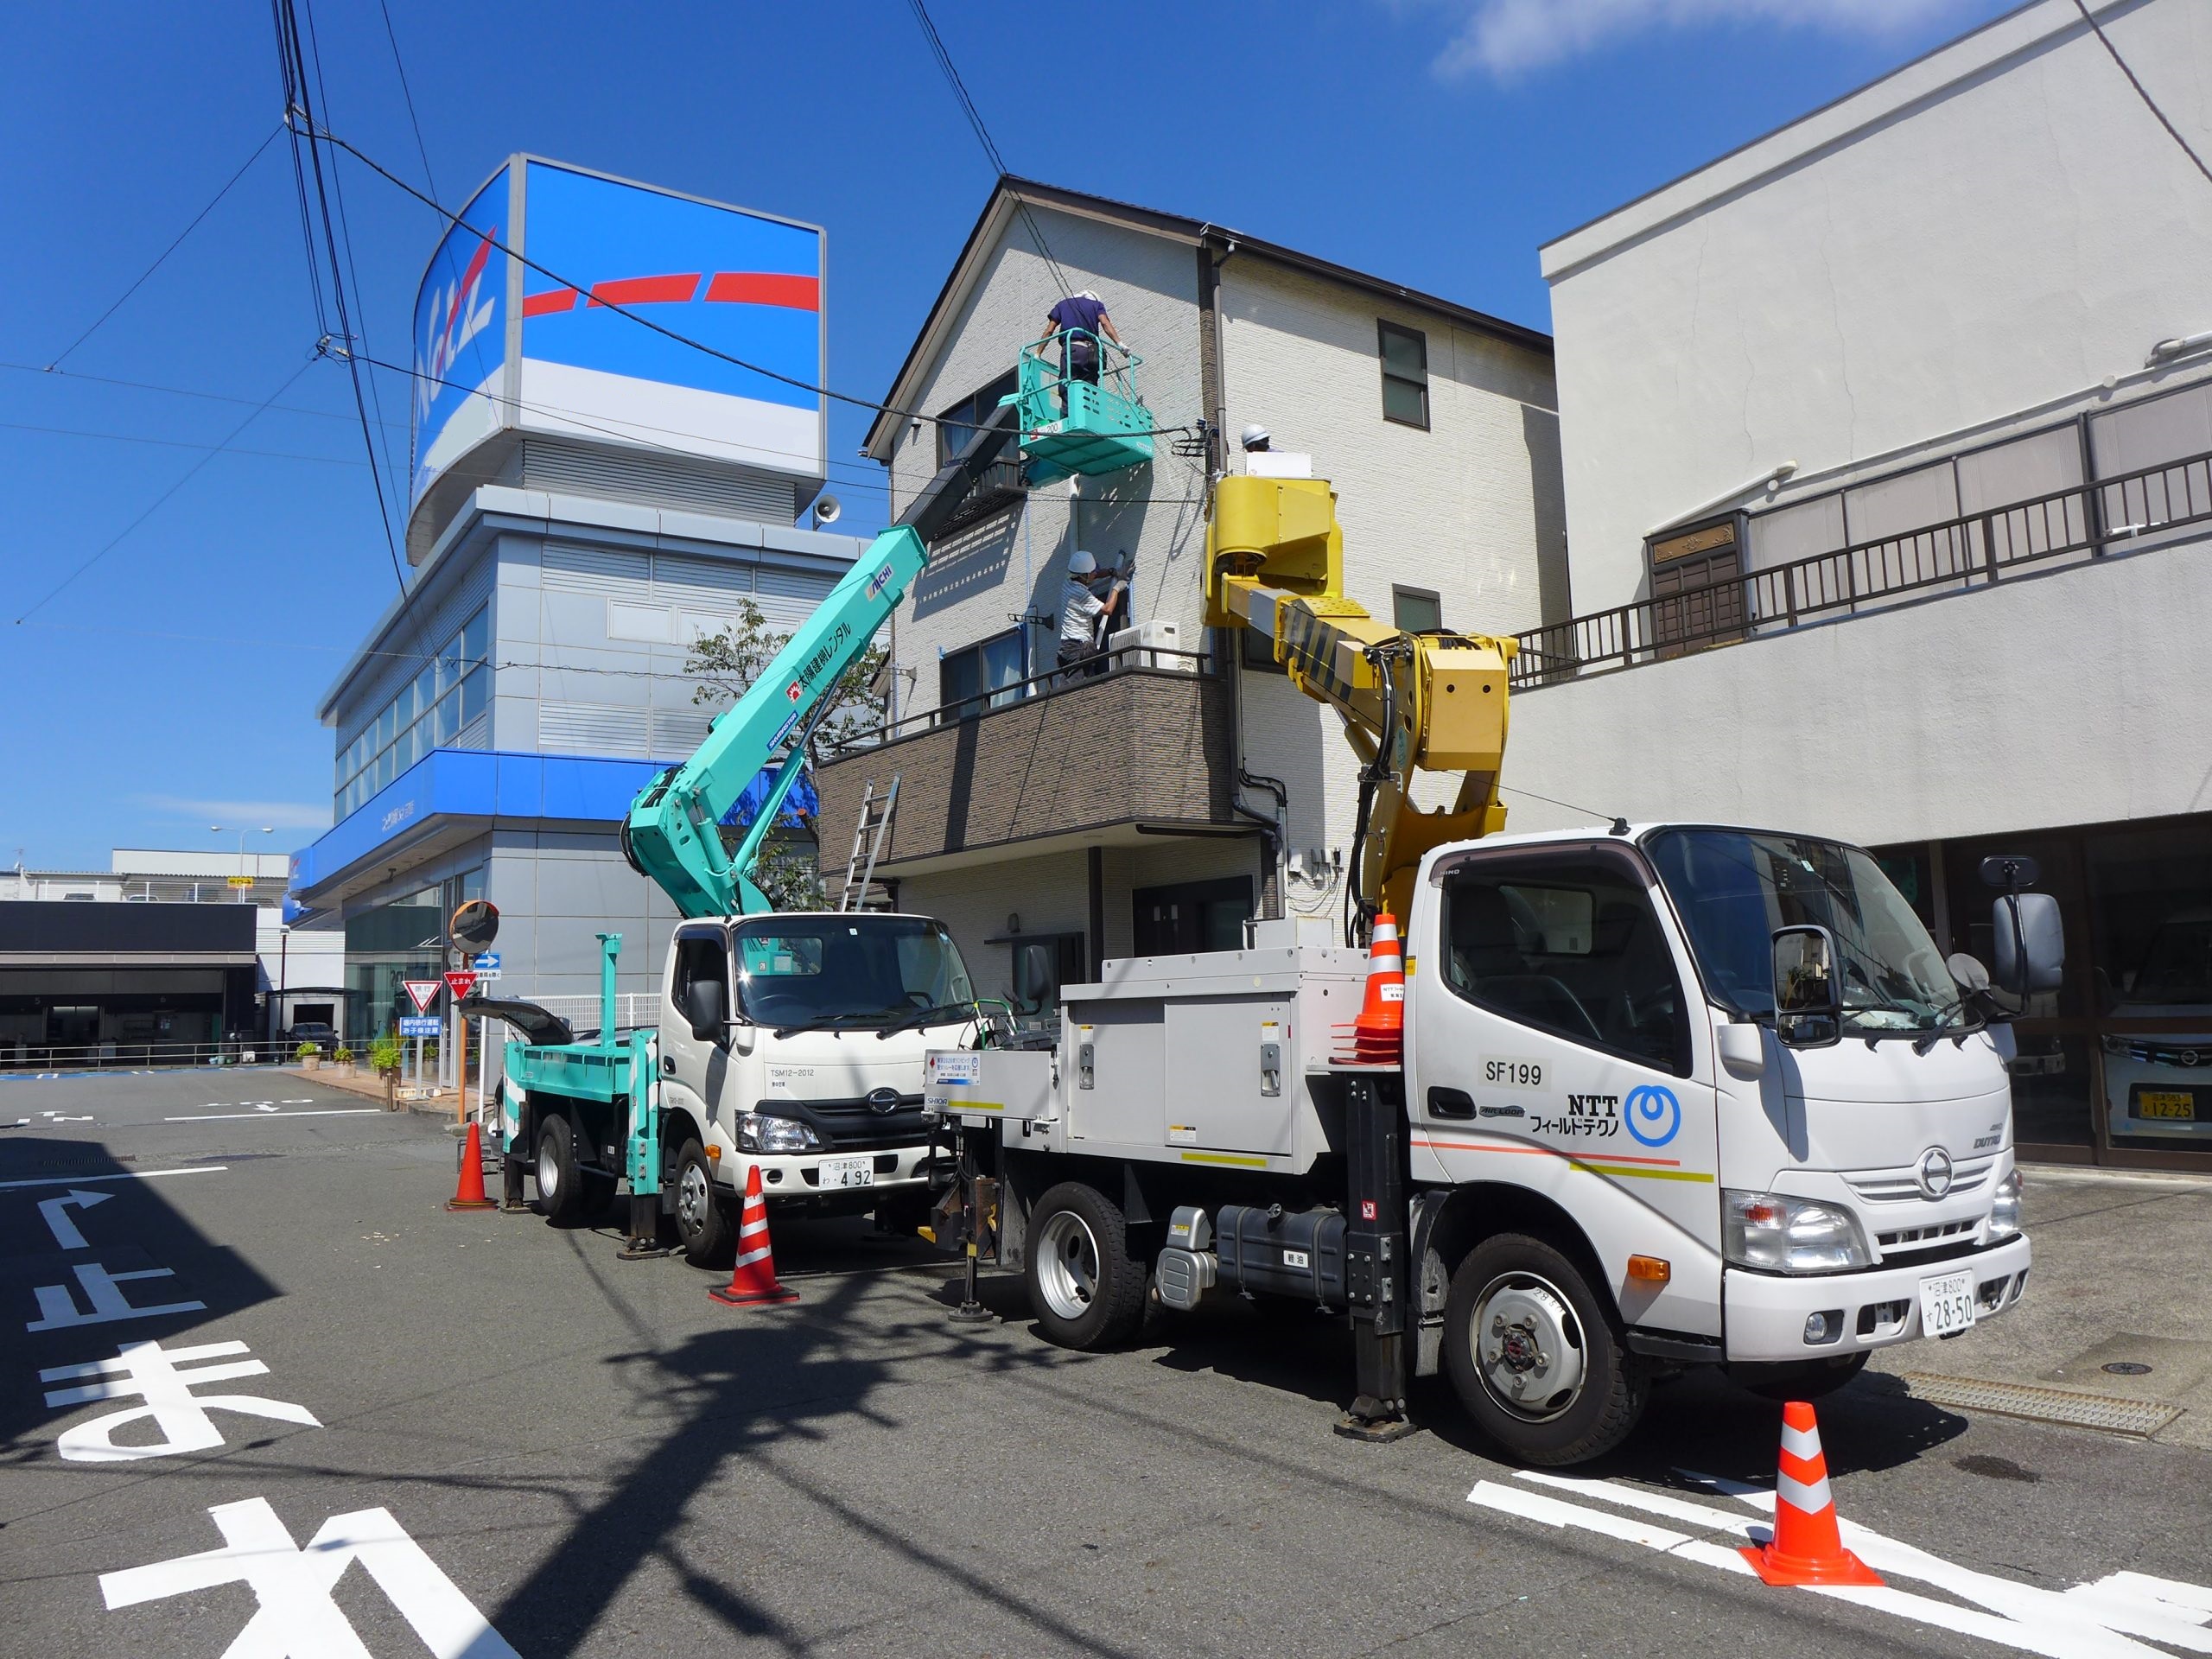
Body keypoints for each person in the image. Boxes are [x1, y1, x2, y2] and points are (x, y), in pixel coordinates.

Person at [1042, 289, 1122, 410]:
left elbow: (1049, 330)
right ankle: (1091, 412)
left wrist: (1038, 353)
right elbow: (1105, 323)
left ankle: (1068, 414)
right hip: (1092, 350)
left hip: (1072, 348)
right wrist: (1120, 344)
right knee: (1091, 384)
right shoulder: (1097, 305)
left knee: (1067, 382)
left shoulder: (1063, 304)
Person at [1056, 550, 1126, 678]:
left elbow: (1096, 573)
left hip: (1067, 647)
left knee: (1069, 685)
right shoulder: (1079, 593)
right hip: (1077, 648)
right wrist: (1116, 589)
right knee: (1077, 688)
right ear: (1084, 576)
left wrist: (1112, 572)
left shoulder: (1068, 580)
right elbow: (1108, 609)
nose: (1095, 573)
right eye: (1092, 572)